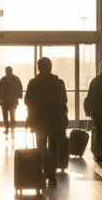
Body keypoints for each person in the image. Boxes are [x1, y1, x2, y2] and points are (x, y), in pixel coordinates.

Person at [25, 57, 69, 188]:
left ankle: (43, 171)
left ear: (39, 68)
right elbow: (64, 100)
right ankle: (51, 174)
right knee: (53, 147)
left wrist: (30, 117)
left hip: (39, 120)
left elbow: (28, 101)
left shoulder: (33, 83)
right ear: (50, 67)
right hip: (55, 120)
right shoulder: (58, 82)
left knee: (41, 146)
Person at [0, 66, 23, 137]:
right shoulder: (15, 79)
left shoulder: (4, 79)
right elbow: (20, 88)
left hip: (10, 100)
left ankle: (10, 128)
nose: (7, 72)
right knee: (8, 115)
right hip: (8, 99)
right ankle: (9, 128)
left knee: (10, 115)